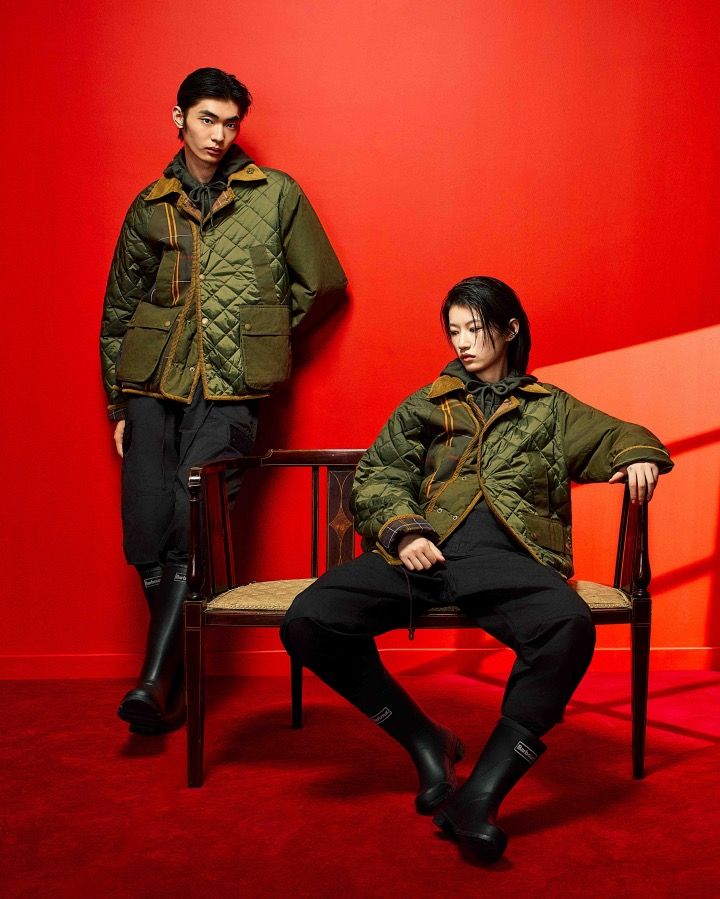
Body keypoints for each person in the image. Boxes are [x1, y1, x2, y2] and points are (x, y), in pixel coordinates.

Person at [281, 276, 671, 862]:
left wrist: (639, 455)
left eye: (475, 329)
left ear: (510, 330)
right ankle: (424, 739)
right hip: (422, 553)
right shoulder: (427, 402)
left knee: (567, 625)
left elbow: (619, 435)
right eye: (454, 331)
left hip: (506, 562)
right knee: (310, 620)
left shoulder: (550, 408)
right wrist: (404, 529)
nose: (463, 342)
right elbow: (379, 475)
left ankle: (479, 796)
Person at [100, 67, 347, 736]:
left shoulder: (276, 194)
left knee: (194, 522)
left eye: (230, 123)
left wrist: (263, 336)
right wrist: (119, 405)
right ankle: (171, 682)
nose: (219, 134)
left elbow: (325, 283)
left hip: (231, 389)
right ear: (178, 118)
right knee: (147, 527)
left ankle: (153, 682)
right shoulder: (150, 204)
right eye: (207, 118)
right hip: (150, 383)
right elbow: (120, 309)